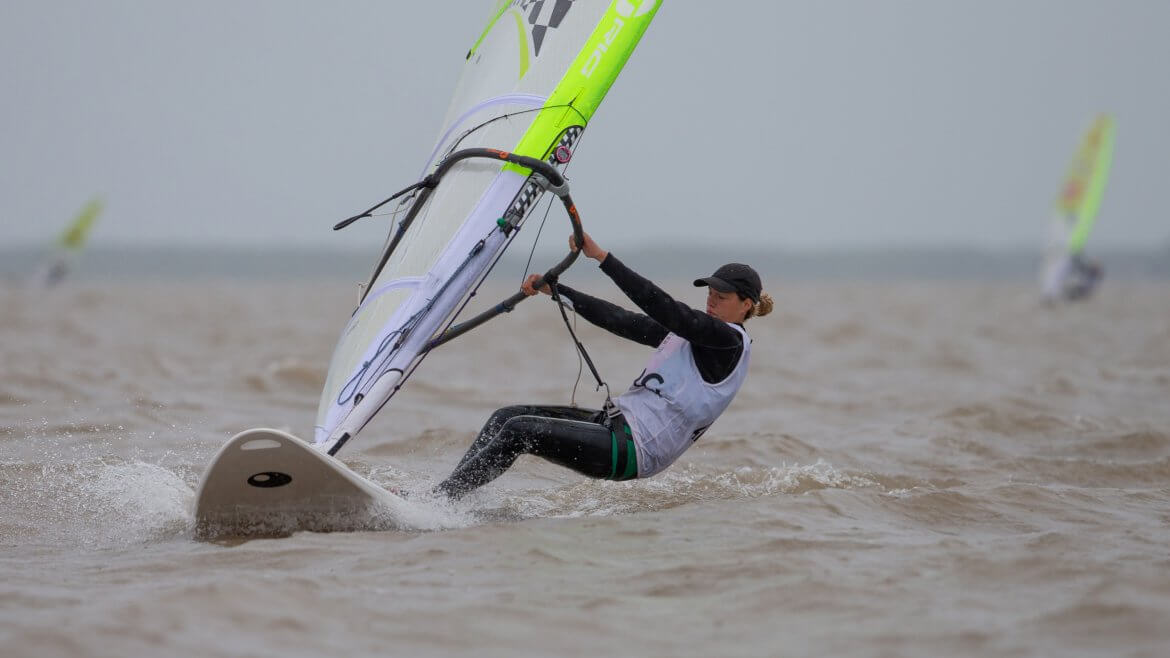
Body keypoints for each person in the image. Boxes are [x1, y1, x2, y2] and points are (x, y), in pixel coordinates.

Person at [433, 231, 773, 499]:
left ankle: (441, 502)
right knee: (505, 417)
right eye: (710, 291)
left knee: (520, 431)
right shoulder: (695, 335)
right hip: (617, 425)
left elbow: (665, 307)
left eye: (722, 296)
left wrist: (603, 258)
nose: (712, 298)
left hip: (634, 450)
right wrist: (558, 290)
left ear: (746, 305)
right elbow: (621, 320)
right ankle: (453, 497)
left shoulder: (729, 342)